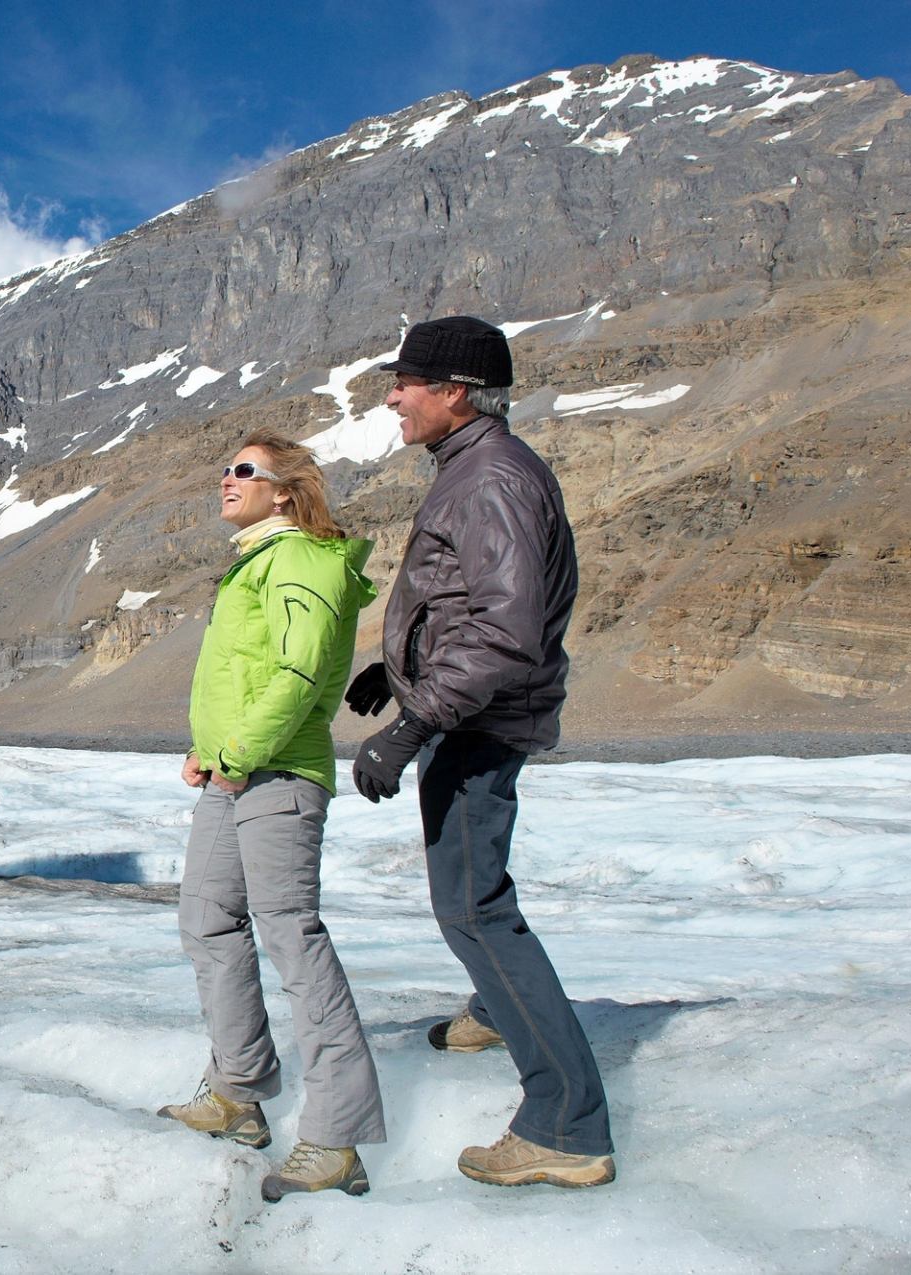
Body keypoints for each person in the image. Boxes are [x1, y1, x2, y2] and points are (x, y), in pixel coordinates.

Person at [345, 315, 616, 1188]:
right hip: (467, 713)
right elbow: (465, 603)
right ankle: (497, 1008)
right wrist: (397, 667)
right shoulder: (475, 467)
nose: (393, 396)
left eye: (408, 383)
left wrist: (413, 722)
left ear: (455, 392)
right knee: (474, 897)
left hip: (477, 723)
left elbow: (503, 634)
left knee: (473, 907)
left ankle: (565, 1126)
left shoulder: (491, 478)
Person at [159, 429, 386, 1203]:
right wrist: (210, 748)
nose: (226, 478)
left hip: (280, 772)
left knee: (292, 935)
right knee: (207, 918)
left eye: (244, 470)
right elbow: (247, 672)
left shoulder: (300, 560)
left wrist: (241, 748)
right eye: (224, 466)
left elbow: (299, 669)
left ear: (284, 490)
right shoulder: (256, 559)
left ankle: (336, 1136)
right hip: (235, 770)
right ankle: (239, 1088)